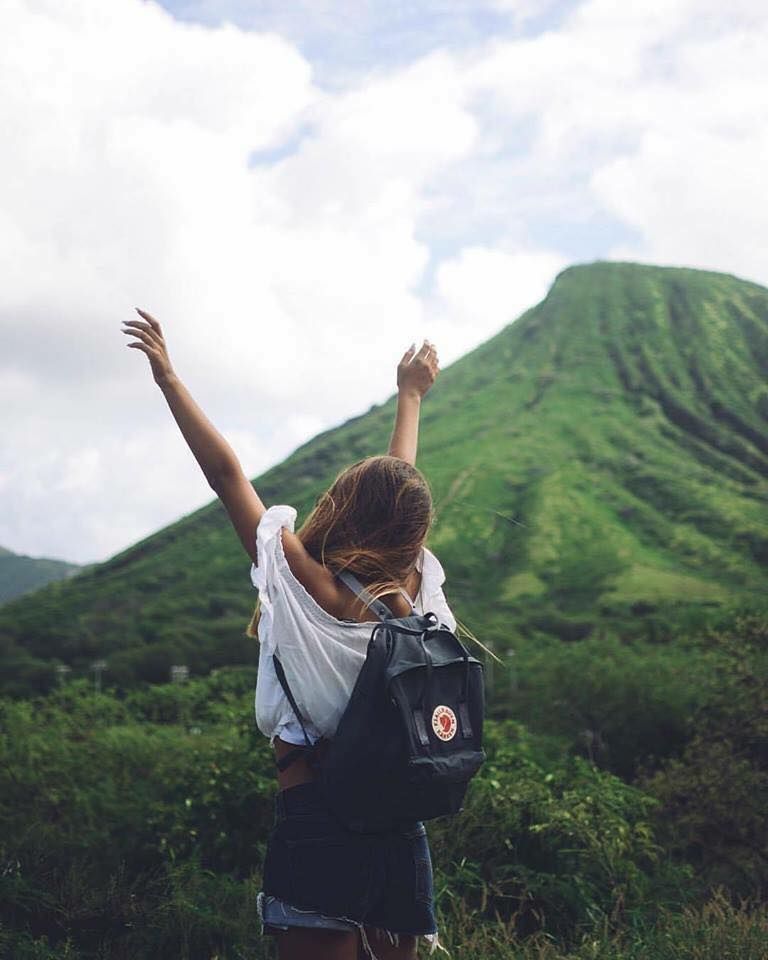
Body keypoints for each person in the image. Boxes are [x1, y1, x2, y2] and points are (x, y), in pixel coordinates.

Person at [122, 308, 454, 960]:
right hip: (400, 835)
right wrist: (410, 396)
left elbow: (227, 477)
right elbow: (398, 490)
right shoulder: (416, 596)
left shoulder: (308, 590)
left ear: (347, 507)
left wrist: (167, 377)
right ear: (411, 536)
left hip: (319, 826)